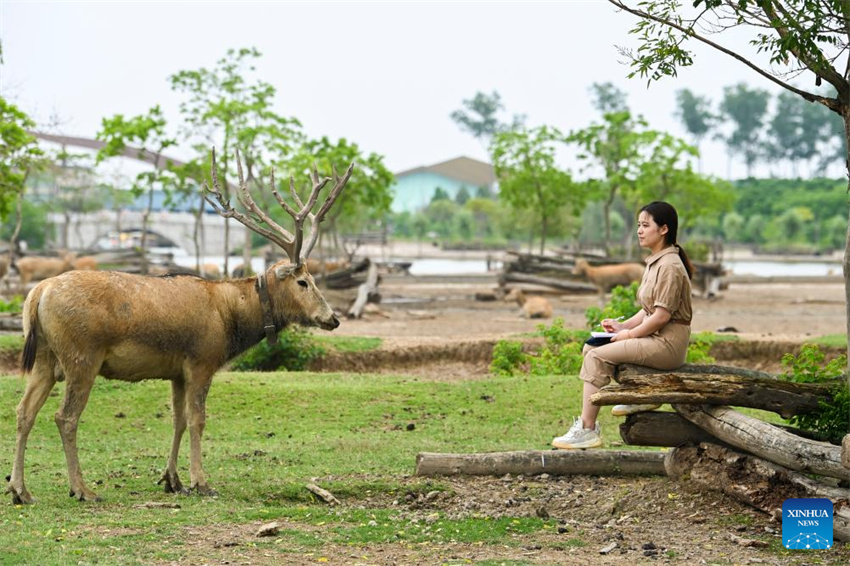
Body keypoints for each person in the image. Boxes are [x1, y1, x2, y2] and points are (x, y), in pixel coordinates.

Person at [552, 201, 694, 450]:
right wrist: (621, 327)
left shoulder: (670, 266)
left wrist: (629, 334)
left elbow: (661, 316)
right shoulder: (655, 262)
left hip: (667, 343)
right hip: (655, 337)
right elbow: (648, 310)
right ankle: (641, 393)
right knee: (591, 347)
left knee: (596, 356)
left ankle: (587, 429)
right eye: (638, 225)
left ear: (663, 229)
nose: (639, 230)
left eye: (645, 225)